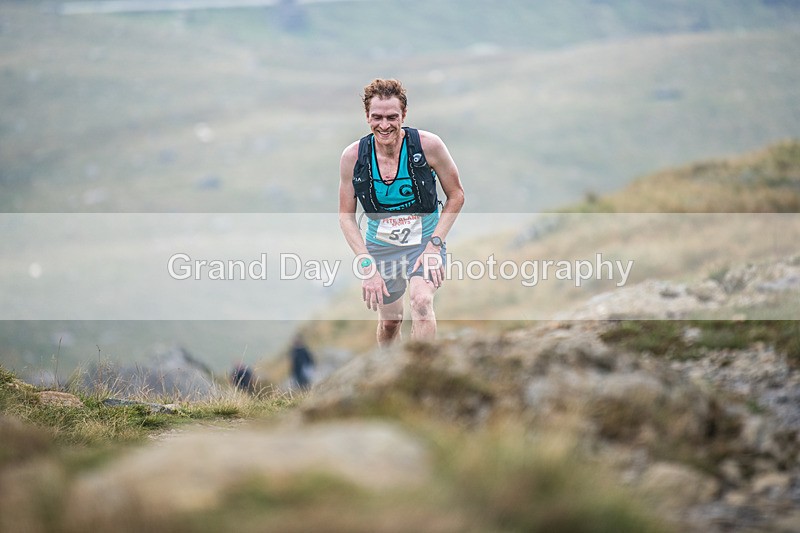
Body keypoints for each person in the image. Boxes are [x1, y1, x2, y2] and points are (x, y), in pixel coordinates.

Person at [338, 78, 465, 347]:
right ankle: (385, 371)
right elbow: (346, 217)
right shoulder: (353, 157)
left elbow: (456, 195)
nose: (384, 125)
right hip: (381, 247)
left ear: (404, 115)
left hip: (424, 242)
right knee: (391, 321)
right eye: (377, 117)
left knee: (421, 301)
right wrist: (366, 264)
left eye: (392, 117)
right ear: (367, 117)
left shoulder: (428, 146)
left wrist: (435, 246)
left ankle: (423, 375)